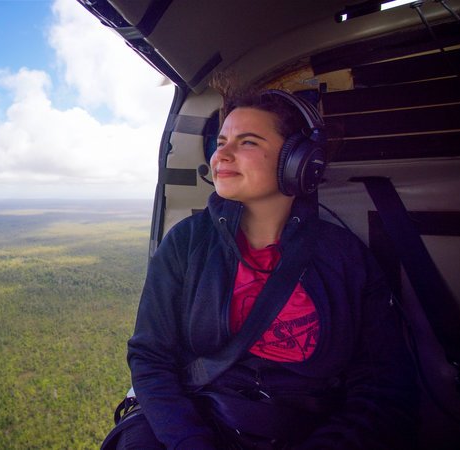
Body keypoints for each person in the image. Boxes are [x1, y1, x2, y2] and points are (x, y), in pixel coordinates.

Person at [117, 89, 418, 449]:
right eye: (221, 141)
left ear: (299, 160)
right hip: (194, 422)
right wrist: (189, 442)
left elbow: (382, 387)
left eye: (246, 142)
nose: (222, 155)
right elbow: (151, 357)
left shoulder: (346, 259)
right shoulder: (187, 243)